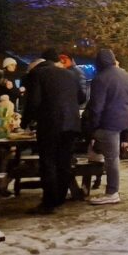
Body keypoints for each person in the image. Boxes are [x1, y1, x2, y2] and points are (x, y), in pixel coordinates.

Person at [22, 48, 87, 213]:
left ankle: (49, 202)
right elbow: (82, 97)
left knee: (48, 161)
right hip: (71, 124)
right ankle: (60, 198)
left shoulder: (39, 74)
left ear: (42, 61)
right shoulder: (70, 74)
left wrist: (26, 121)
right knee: (64, 161)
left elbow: (34, 102)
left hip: (51, 123)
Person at [86, 48, 128, 205]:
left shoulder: (100, 79)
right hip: (123, 120)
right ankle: (97, 155)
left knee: (111, 158)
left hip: (109, 123)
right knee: (110, 154)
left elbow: (96, 107)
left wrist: (91, 128)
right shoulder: (127, 76)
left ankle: (112, 192)